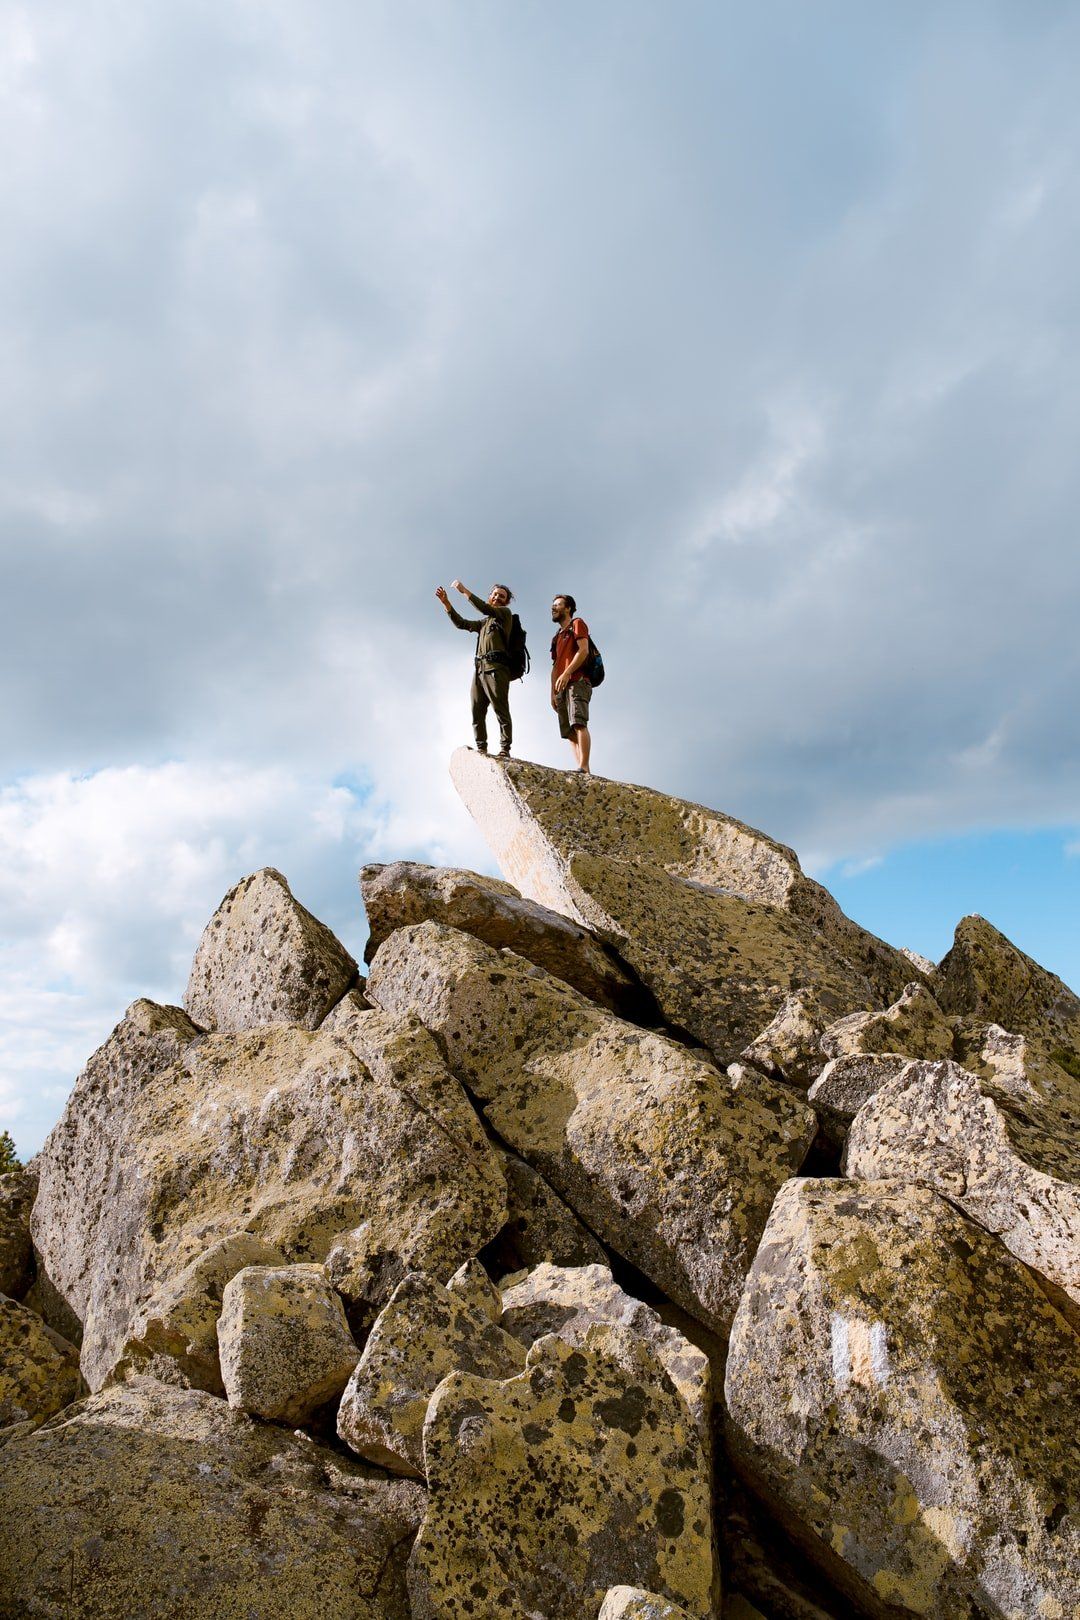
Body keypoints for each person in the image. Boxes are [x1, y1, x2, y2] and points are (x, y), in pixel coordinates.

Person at [435, 579, 515, 758]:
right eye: (494, 594)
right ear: (490, 596)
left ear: (506, 601)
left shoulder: (504, 614)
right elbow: (462, 624)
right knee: (477, 710)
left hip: (496, 669)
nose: (497, 598)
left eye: (501, 596)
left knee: (500, 709)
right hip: (479, 669)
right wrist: (447, 604)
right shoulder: (484, 623)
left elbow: (486, 608)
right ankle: (481, 748)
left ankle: (505, 748)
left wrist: (463, 590)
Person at [550, 593, 592, 773]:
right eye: (553, 605)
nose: (553, 608)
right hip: (561, 687)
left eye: (558, 605)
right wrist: (552, 692)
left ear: (568, 608)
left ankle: (584, 766)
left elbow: (583, 651)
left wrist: (567, 673)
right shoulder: (556, 637)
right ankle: (582, 770)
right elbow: (554, 667)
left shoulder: (577, 624)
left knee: (579, 723)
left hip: (578, 680)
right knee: (568, 732)